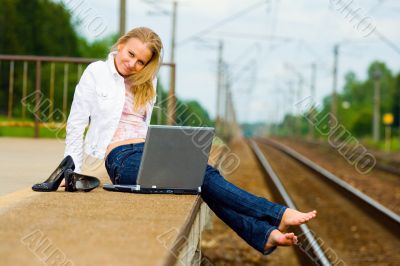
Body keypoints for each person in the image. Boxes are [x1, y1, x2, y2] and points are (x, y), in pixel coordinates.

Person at [35, 27, 317, 255]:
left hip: (148, 149)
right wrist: (70, 170)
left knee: (201, 177)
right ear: (121, 45)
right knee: (202, 176)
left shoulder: (148, 83)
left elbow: (144, 126)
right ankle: (276, 215)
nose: (132, 63)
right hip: (121, 158)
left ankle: (264, 233)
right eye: (130, 54)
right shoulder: (96, 73)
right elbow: (76, 123)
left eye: (140, 61)